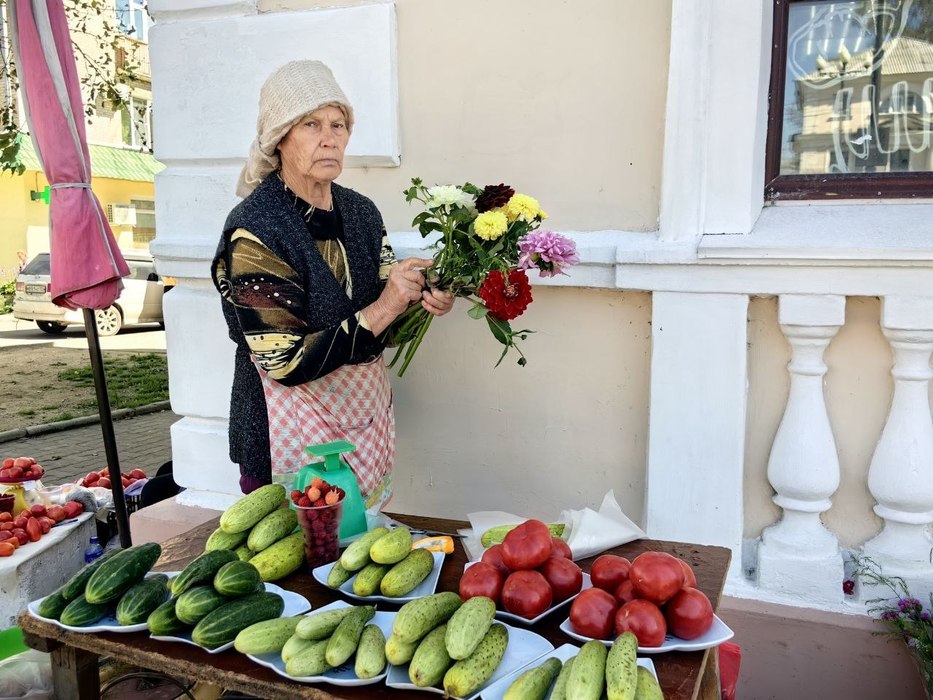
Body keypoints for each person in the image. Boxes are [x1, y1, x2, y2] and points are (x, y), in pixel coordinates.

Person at [211, 60, 453, 507]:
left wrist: (420, 302)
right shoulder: (254, 229)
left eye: (339, 124)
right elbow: (284, 362)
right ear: (279, 138)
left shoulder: (361, 213)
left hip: (358, 423)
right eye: (311, 124)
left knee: (357, 553)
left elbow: (387, 326)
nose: (330, 137)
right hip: (280, 430)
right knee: (297, 561)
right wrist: (385, 306)